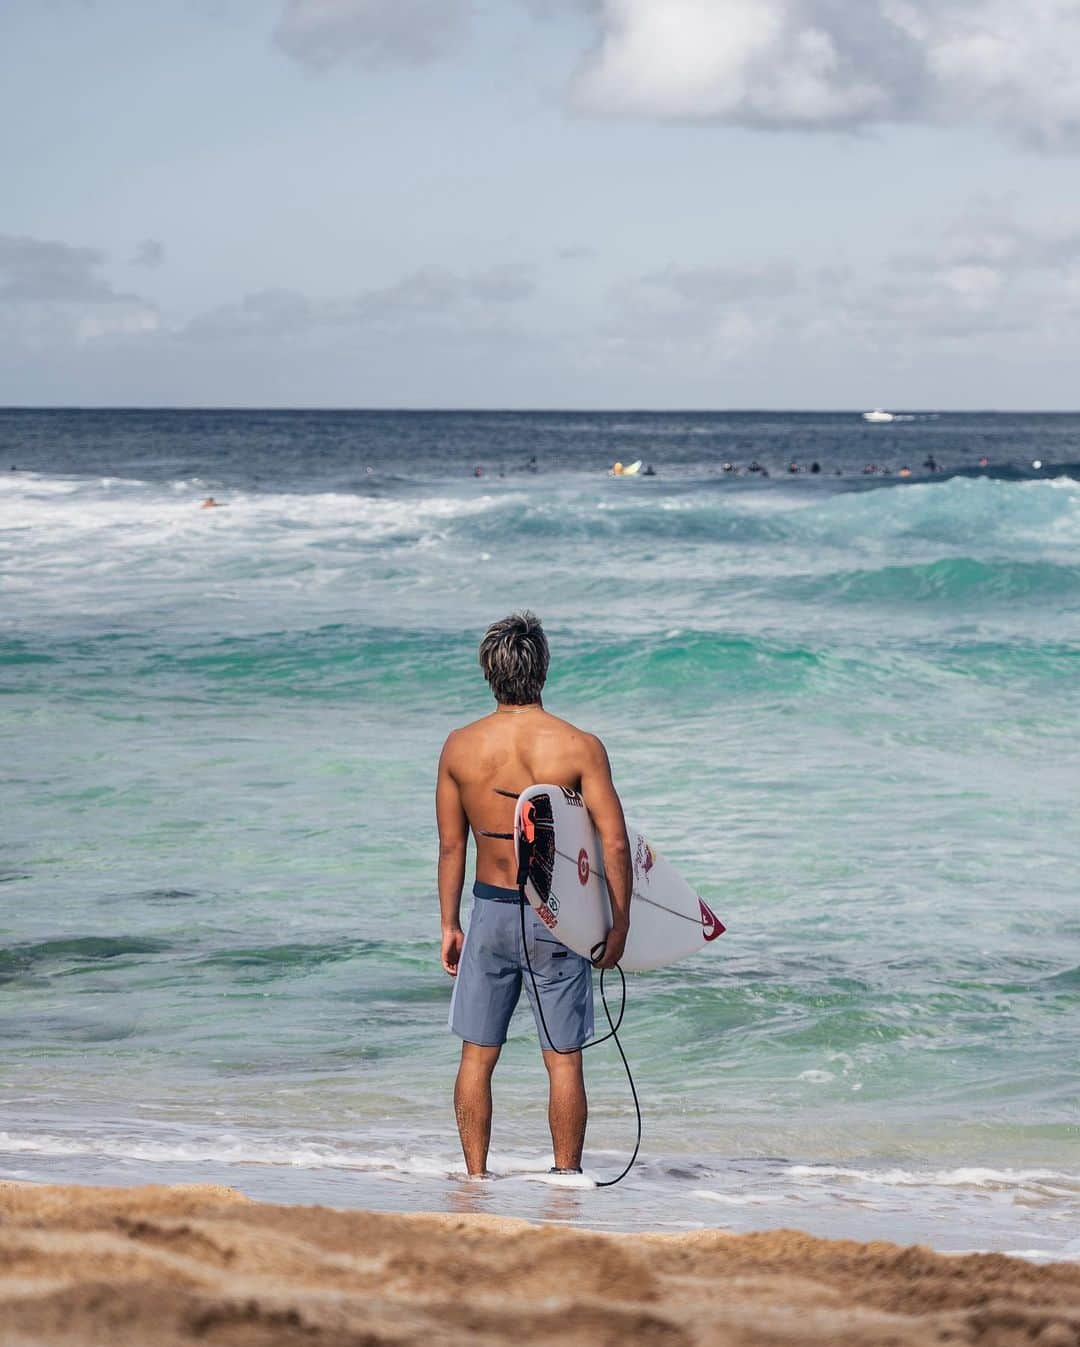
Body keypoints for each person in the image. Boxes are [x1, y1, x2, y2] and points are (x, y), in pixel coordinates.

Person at [435, 612, 631, 1179]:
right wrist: (618, 925)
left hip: (491, 911)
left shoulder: (459, 747)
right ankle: (566, 1180)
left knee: (477, 1055)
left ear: (488, 672)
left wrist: (450, 925)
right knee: (563, 1059)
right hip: (559, 918)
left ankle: (475, 1180)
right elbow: (613, 843)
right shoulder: (578, 746)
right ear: (542, 667)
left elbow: (453, 848)